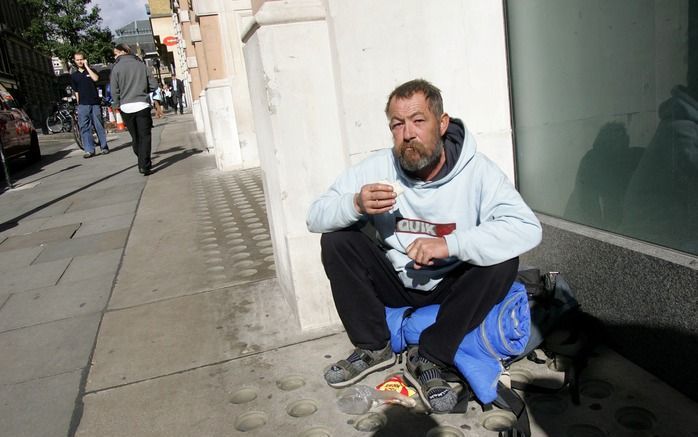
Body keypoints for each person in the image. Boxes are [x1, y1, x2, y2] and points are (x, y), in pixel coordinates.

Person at [306, 79, 542, 413]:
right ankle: (374, 347)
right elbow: (314, 216)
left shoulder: (477, 172)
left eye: (419, 120)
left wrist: (450, 244)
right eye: (397, 125)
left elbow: (527, 228)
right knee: (337, 239)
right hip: (398, 282)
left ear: (442, 123)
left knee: (502, 260)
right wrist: (355, 204)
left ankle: (431, 356)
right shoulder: (378, 168)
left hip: (452, 287)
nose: (408, 133)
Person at [110, 43, 158, 175]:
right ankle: (144, 164)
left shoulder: (116, 68)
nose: (115, 56)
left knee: (135, 137)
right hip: (142, 104)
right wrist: (143, 90)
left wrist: (117, 104)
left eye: (116, 53)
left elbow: (114, 91)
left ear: (123, 51)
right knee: (145, 136)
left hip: (125, 107)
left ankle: (141, 159)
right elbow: (154, 85)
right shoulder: (142, 65)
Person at [71, 51, 109, 158]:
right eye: (77, 60)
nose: (80, 62)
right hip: (83, 104)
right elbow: (76, 91)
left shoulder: (91, 71)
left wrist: (87, 66)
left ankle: (104, 147)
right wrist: (78, 105)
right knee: (84, 127)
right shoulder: (74, 76)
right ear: (74, 61)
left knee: (98, 125)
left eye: (81, 59)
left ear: (85, 59)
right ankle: (89, 150)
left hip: (94, 103)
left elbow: (96, 79)